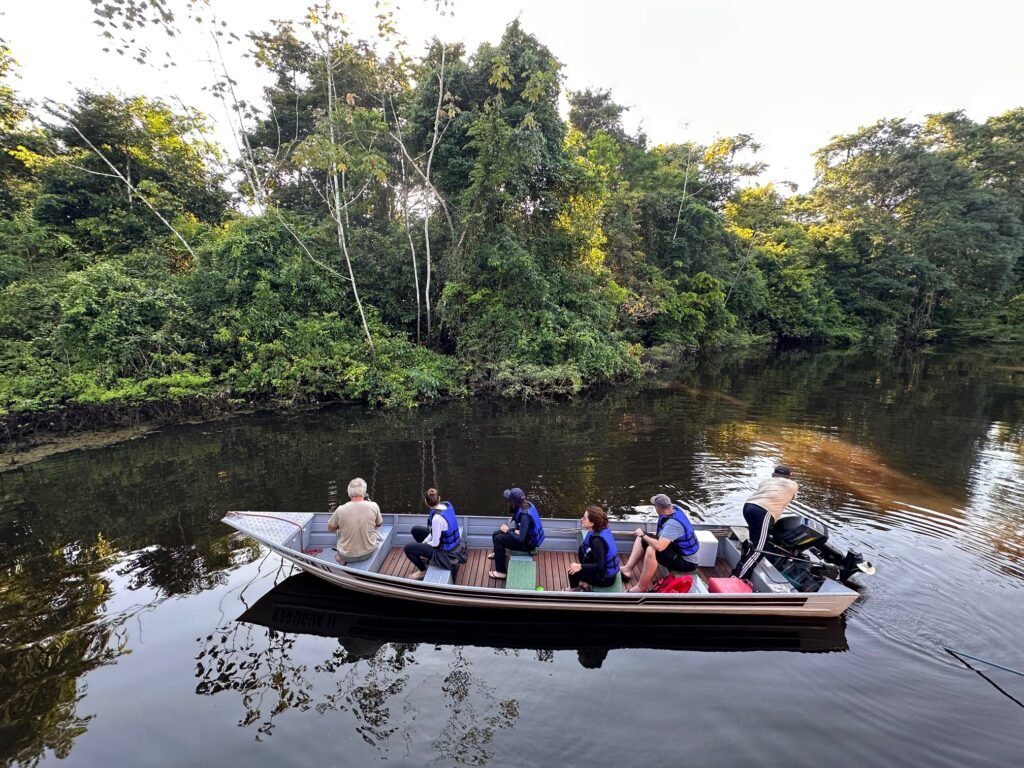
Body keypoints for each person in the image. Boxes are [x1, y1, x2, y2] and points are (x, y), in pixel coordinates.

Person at [621, 493, 699, 593]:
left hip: (687, 562)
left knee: (651, 548)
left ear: (658, 508)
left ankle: (641, 587)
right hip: (678, 550)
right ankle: (627, 569)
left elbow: (660, 547)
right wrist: (642, 536)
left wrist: (642, 535)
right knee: (642, 539)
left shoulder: (673, 524)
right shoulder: (674, 509)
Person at [732, 465, 799, 580]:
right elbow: (791, 498)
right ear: (789, 477)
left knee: (754, 542)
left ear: (774, 475)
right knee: (759, 549)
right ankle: (738, 577)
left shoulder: (765, 482)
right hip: (764, 511)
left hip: (748, 507)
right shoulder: (793, 485)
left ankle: (743, 566)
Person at [403, 487, 468, 580]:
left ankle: (422, 571)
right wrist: (425, 540)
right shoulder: (447, 506)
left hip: (445, 551)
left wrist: (425, 544)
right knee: (415, 530)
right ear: (439, 498)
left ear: (426, 502)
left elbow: (435, 543)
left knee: (408, 548)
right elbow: (434, 532)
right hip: (449, 542)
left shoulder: (437, 519)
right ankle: (427, 555)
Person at [488, 487, 546, 580]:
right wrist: (514, 530)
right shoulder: (525, 505)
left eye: (509, 501)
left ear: (513, 502)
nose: (508, 503)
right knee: (496, 533)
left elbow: (520, 539)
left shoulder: (524, 516)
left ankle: (501, 572)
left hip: (527, 544)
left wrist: (508, 530)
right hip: (526, 536)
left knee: (498, 539)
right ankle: (499, 554)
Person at [327, 477, 383, 564]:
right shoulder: (374, 506)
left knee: (338, 530)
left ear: (349, 492)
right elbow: (379, 524)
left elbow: (330, 529)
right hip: (369, 553)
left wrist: (341, 526)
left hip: (346, 556)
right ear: (364, 492)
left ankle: (339, 556)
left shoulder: (340, 509)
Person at [566, 505, 620, 590]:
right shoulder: (600, 530)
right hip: (603, 569)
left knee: (572, 572)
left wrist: (580, 566)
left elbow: (599, 566)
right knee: (582, 549)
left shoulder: (597, 541)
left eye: (584, 518)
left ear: (592, 523)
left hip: (605, 578)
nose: (581, 519)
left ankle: (574, 591)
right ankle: (584, 582)